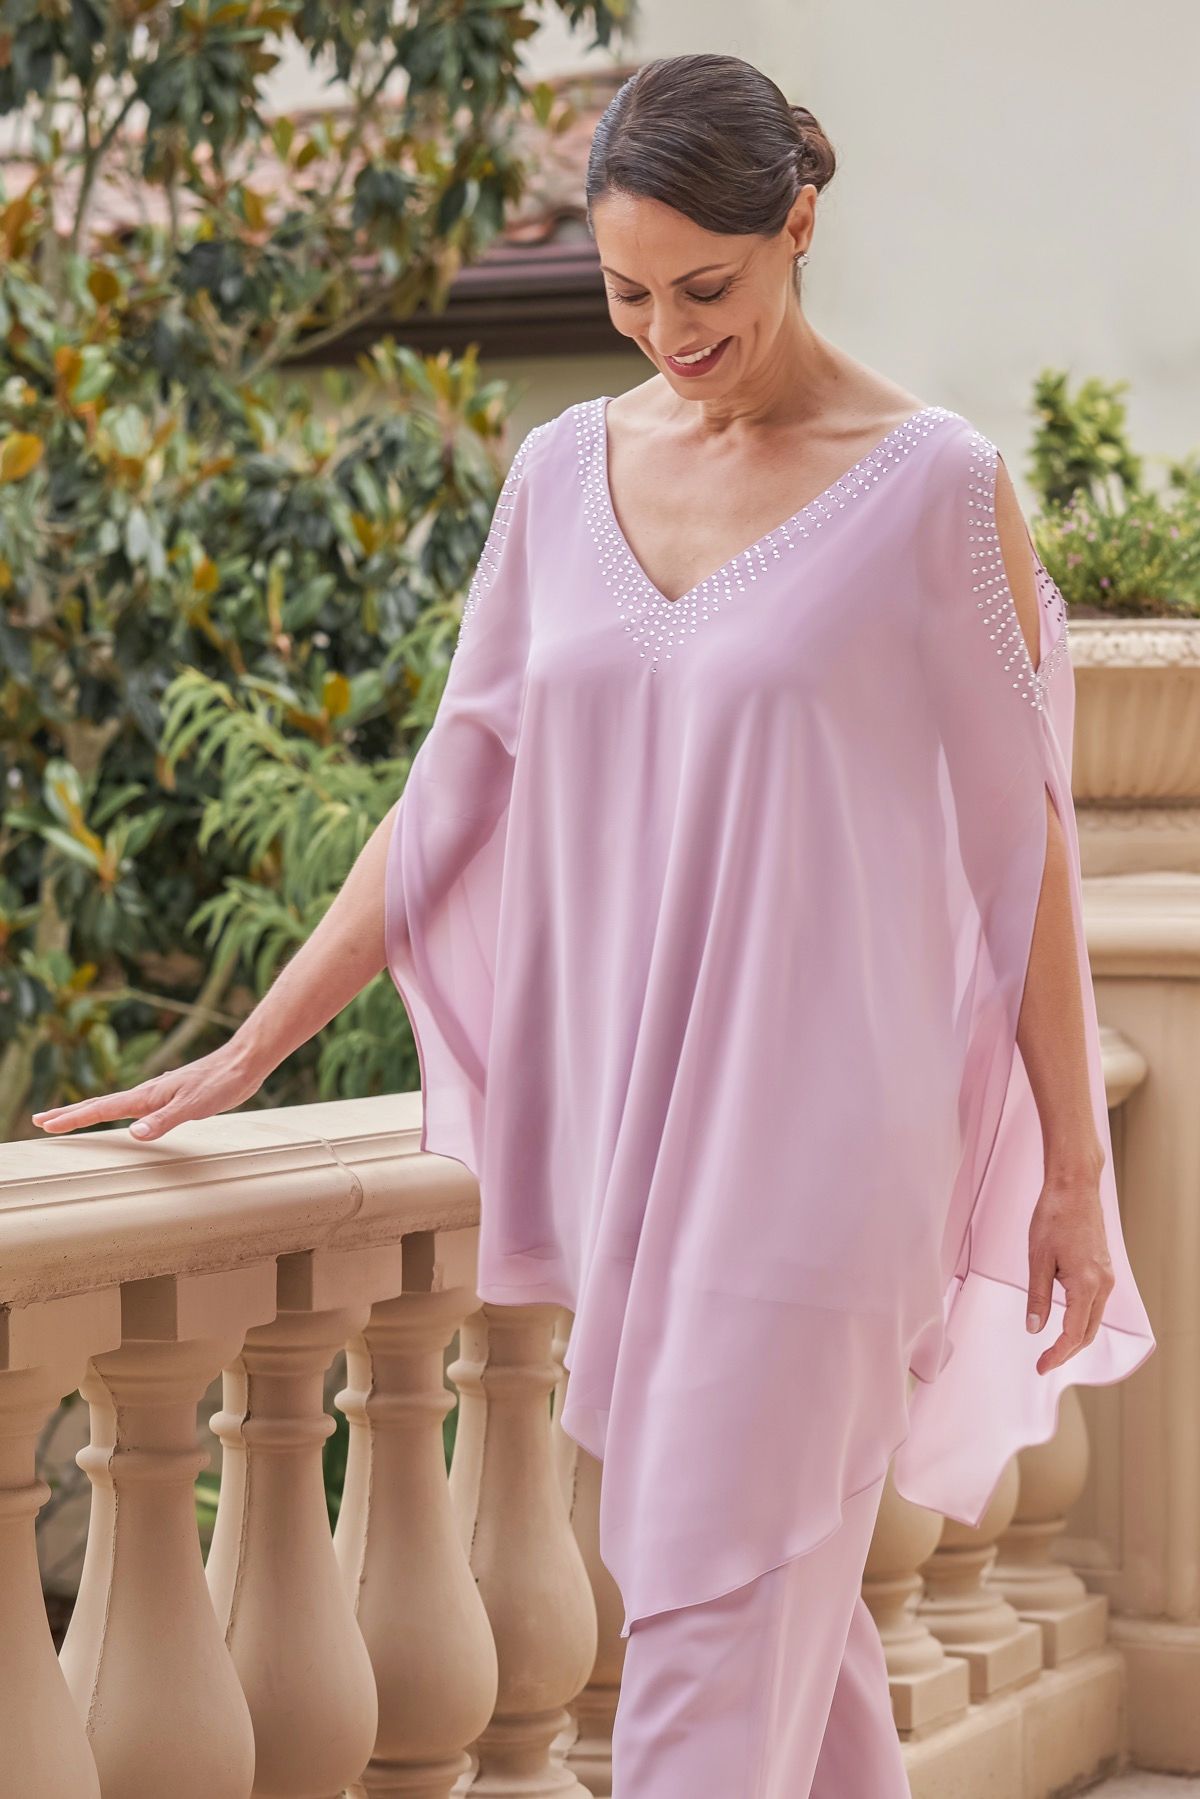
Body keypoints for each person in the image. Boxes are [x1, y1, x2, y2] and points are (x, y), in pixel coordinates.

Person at [33, 51, 1156, 1798]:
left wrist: (1072, 1179)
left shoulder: (937, 491)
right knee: (781, 1624)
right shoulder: (560, 476)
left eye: (704, 288)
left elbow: (1032, 859)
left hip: (828, 1163)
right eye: (627, 293)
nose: (665, 330)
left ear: (796, 226)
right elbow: (450, 795)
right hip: (644, 1148)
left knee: (709, 1639)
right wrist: (253, 1043)